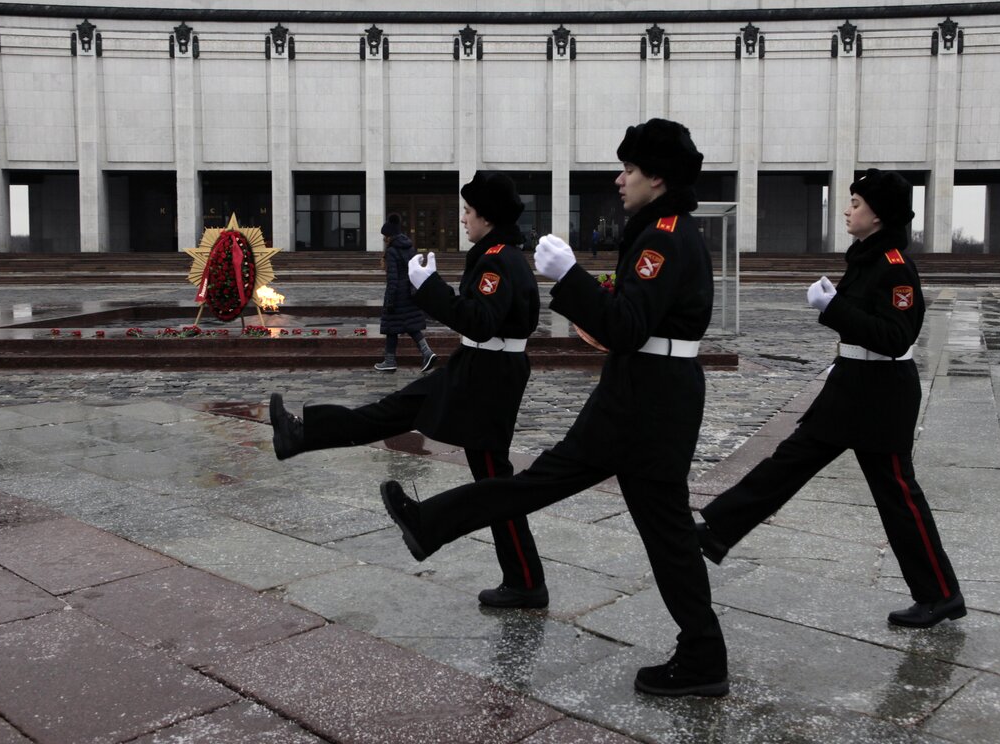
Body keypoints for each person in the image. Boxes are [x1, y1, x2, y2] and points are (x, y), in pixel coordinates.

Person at [380, 119, 729, 698]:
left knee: (551, 486)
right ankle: (703, 654)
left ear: (658, 178)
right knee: (657, 528)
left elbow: (625, 326)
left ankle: (432, 523)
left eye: (630, 171)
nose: (621, 181)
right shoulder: (667, 230)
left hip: (645, 399)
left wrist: (569, 278)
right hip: (654, 391)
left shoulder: (664, 237)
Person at [696, 169, 965, 629]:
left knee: (898, 496)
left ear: (877, 215)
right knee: (788, 462)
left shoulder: (896, 265)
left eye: (856, 203)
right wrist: (836, 301)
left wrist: (833, 308)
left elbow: (896, 337)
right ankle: (718, 530)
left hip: (882, 394)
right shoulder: (867, 258)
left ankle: (941, 594)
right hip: (852, 385)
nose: (847, 210)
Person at [269, 171, 549, 608]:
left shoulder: (499, 258)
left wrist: (429, 287)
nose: (463, 219)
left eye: (469, 211)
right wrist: (431, 290)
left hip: (489, 376)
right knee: (395, 412)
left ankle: (526, 581)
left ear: (488, 217)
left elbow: (479, 320)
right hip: (478, 366)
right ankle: (302, 433)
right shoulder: (498, 254)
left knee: (495, 482)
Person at [376, 213, 438, 373]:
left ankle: (391, 360)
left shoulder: (391, 251)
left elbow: (393, 279)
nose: (384, 239)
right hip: (410, 292)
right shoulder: (409, 247)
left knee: (392, 327)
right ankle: (425, 353)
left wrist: (389, 300)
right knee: (409, 326)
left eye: (385, 235)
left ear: (389, 236)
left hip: (397, 295)